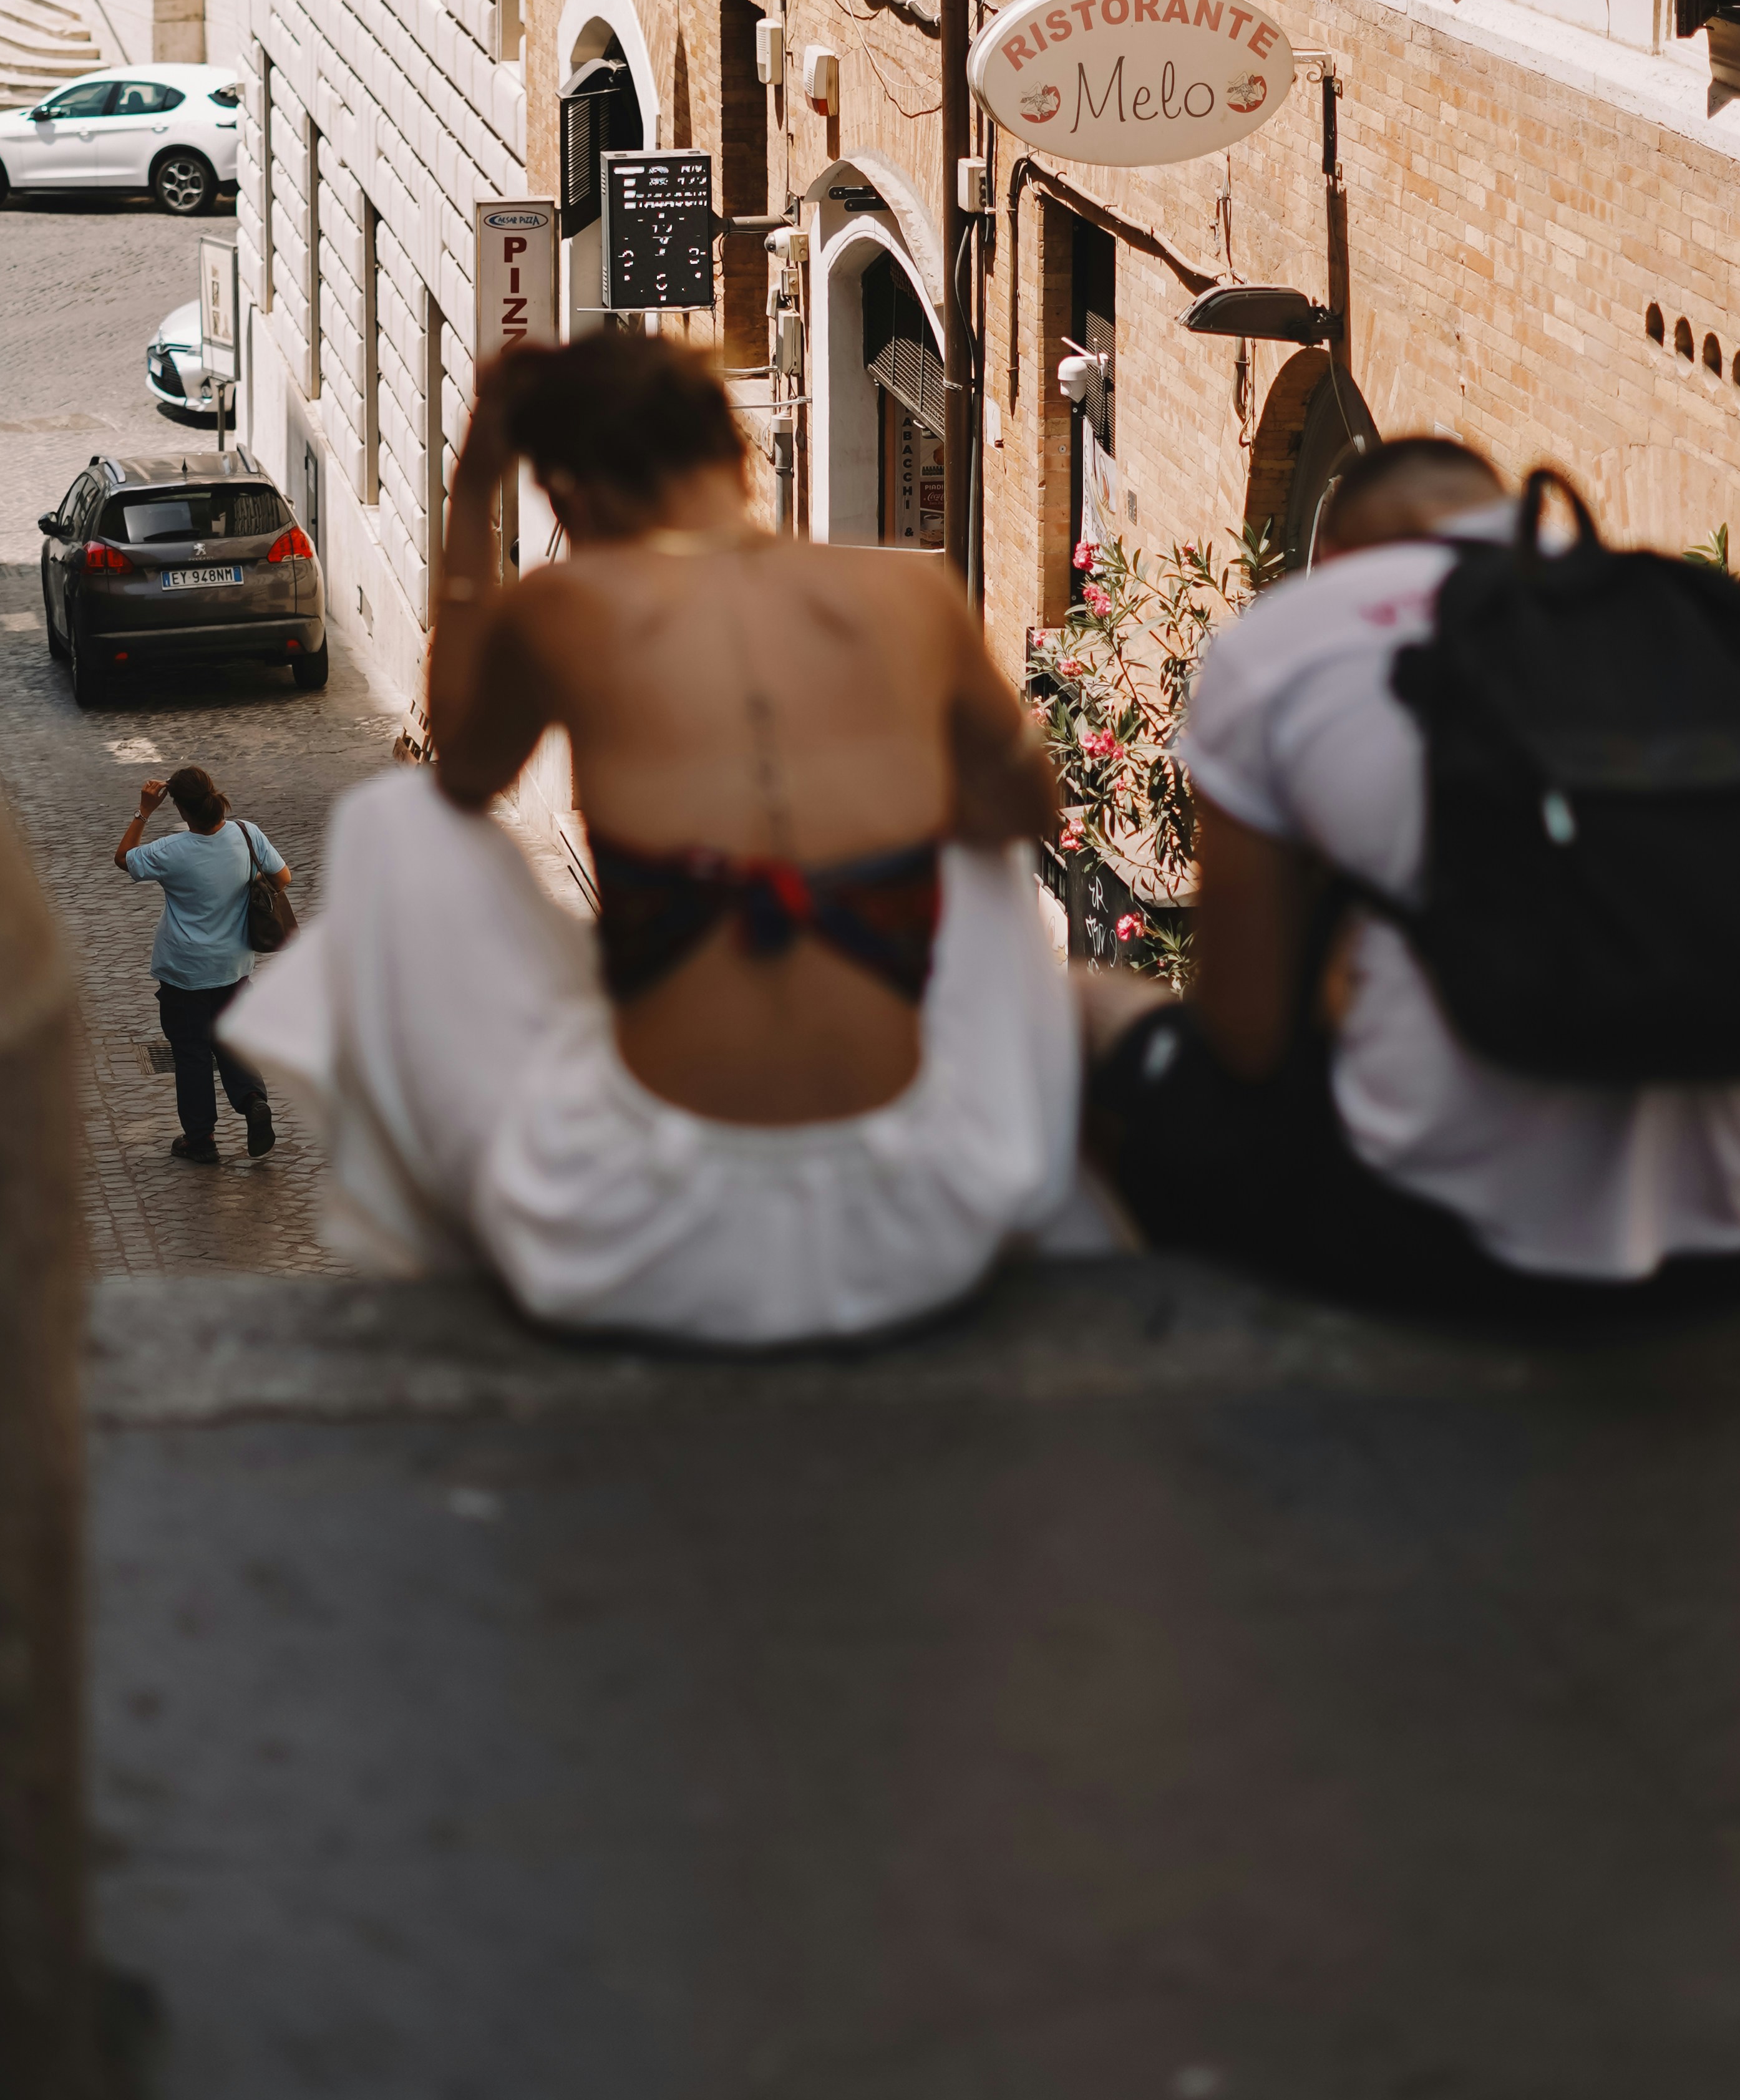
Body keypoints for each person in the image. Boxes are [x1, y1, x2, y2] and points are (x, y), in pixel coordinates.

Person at [223, 332, 1104, 1343]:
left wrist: (474, 486)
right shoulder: (912, 594)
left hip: (652, 1233)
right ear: (733, 458)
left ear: (572, 498)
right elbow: (1029, 812)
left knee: (400, 814)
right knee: (978, 831)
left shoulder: (562, 607)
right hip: (919, 1220)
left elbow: (455, 764)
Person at [1086, 437, 1740, 1329]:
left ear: (1337, 558)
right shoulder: (1682, 616)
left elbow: (1246, 1040)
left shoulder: (1290, 641)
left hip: (1444, 1251)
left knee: (1089, 1016)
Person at [113, 763, 286, 1166]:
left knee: (191, 1052)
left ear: (181, 810)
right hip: (235, 966)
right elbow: (284, 878)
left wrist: (142, 811)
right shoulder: (247, 834)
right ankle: (253, 1101)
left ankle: (201, 1139)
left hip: (184, 973)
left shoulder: (171, 852)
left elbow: (123, 858)